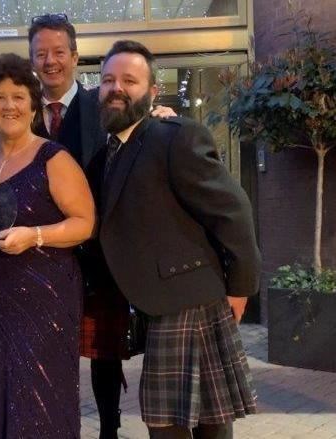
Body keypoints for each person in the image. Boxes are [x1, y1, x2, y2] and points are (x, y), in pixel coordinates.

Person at [94, 40, 261, 439]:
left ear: (152, 92)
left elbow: (233, 211)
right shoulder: (111, 150)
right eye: (108, 80)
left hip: (192, 299)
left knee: (189, 422)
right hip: (156, 303)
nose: (116, 87)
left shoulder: (174, 137)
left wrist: (241, 289)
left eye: (129, 80)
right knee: (181, 419)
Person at [28, 14, 177, 439]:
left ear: (75, 56)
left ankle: (109, 429)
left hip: (99, 255)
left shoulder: (105, 103)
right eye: (41, 53)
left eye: (59, 52)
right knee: (48, 350)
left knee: (104, 353)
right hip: (40, 255)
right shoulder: (20, 108)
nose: (51, 61)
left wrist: (158, 115)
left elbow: (140, 130)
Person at [0, 53, 95, 439]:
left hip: (45, 297)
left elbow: (85, 223)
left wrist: (34, 236)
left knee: (41, 397)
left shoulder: (54, 157)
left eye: (18, 96)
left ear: (33, 104)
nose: (9, 106)